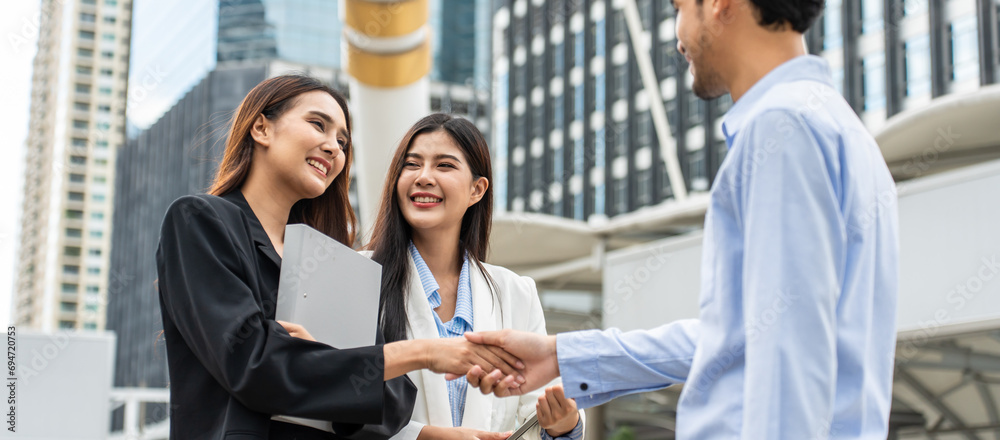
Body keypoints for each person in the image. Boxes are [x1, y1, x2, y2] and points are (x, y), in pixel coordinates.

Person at [462, 0, 899, 438]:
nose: (677, 35)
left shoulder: (782, 129)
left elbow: (789, 360)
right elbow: (740, 340)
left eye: (679, 7)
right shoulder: (840, 128)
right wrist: (559, 356)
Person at [156, 76, 524, 440]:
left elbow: (392, 403)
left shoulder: (328, 262)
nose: (333, 147)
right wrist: (422, 352)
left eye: (343, 141)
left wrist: (317, 359)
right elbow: (254, 369)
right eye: (318, 124)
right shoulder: (199, 221)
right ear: (261, 128)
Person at [366, 114, 585, 440]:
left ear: (476, 190)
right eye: (412, 164)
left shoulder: (516, 292)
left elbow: (537, 411)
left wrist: (564, 424)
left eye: (444, 166)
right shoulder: (360, 276)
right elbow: (333, 402)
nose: (424, 177)